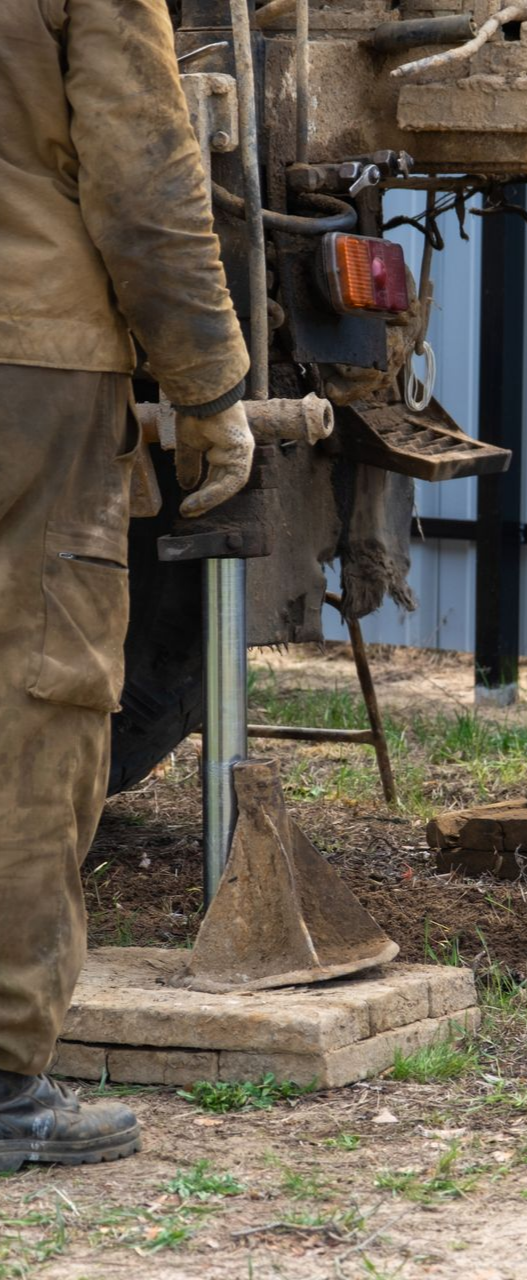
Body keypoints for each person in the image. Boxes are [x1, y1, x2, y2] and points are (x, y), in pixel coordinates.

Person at [1, 0, 254, 1169]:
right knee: (33, 698)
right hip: (29, 354)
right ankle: (5, 1080)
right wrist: (209, 384)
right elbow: (144, 174)